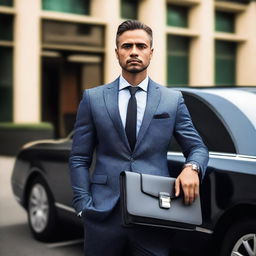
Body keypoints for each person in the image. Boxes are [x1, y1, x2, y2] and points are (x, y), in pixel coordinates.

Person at [69, 20, 209, 256]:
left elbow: (197, 148)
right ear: (117, 52)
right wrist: (83, 205)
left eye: (141, 46)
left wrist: (192, 168)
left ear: (151, 53)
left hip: (154, 212)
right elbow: (79, 158)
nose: (134, 51)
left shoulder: (171, 100)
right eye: (127, 46)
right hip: (103, 213)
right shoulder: (93, 98)